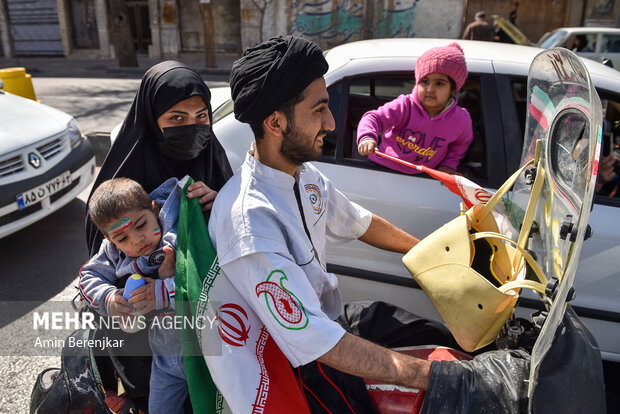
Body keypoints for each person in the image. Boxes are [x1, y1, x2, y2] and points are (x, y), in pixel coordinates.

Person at [203, 35, 458, 413]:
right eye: (319, 109)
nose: (332, 123)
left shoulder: (304, 176)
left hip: (331, 319)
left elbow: (361, 222)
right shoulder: (251, 222)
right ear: (275, 122)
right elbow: (317, 343)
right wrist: (432, 376)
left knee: (436, 336)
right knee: (436, 386)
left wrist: (438, 254)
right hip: (302, 362)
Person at [79, 176, 210, 414]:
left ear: (154, 208)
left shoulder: (181, 225)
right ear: (110, 241)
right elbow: (88, 278)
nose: (137, 240)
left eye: (141, 225)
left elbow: (208, 274)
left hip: (206, 353)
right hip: (164, 361)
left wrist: (163, 292)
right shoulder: (114, 254)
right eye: (122, 238)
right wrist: (109, 299)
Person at [85, 60, 233, 257]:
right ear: (152, 119)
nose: (192, 126)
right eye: (177, 118)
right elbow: (103, 261)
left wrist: (221, 205)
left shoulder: (214, 161)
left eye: (201, 116)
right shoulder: (123, 182)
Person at [356, 42, 473, 175]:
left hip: (421, 178)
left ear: (453, 90)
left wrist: (448, 165)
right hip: (380, 169)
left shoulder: (461, 120)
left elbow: (460, 145)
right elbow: (373, 118)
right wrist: (367, 137)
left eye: (439, 83)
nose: (430, 89)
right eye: (425, 81)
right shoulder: (405, 106)